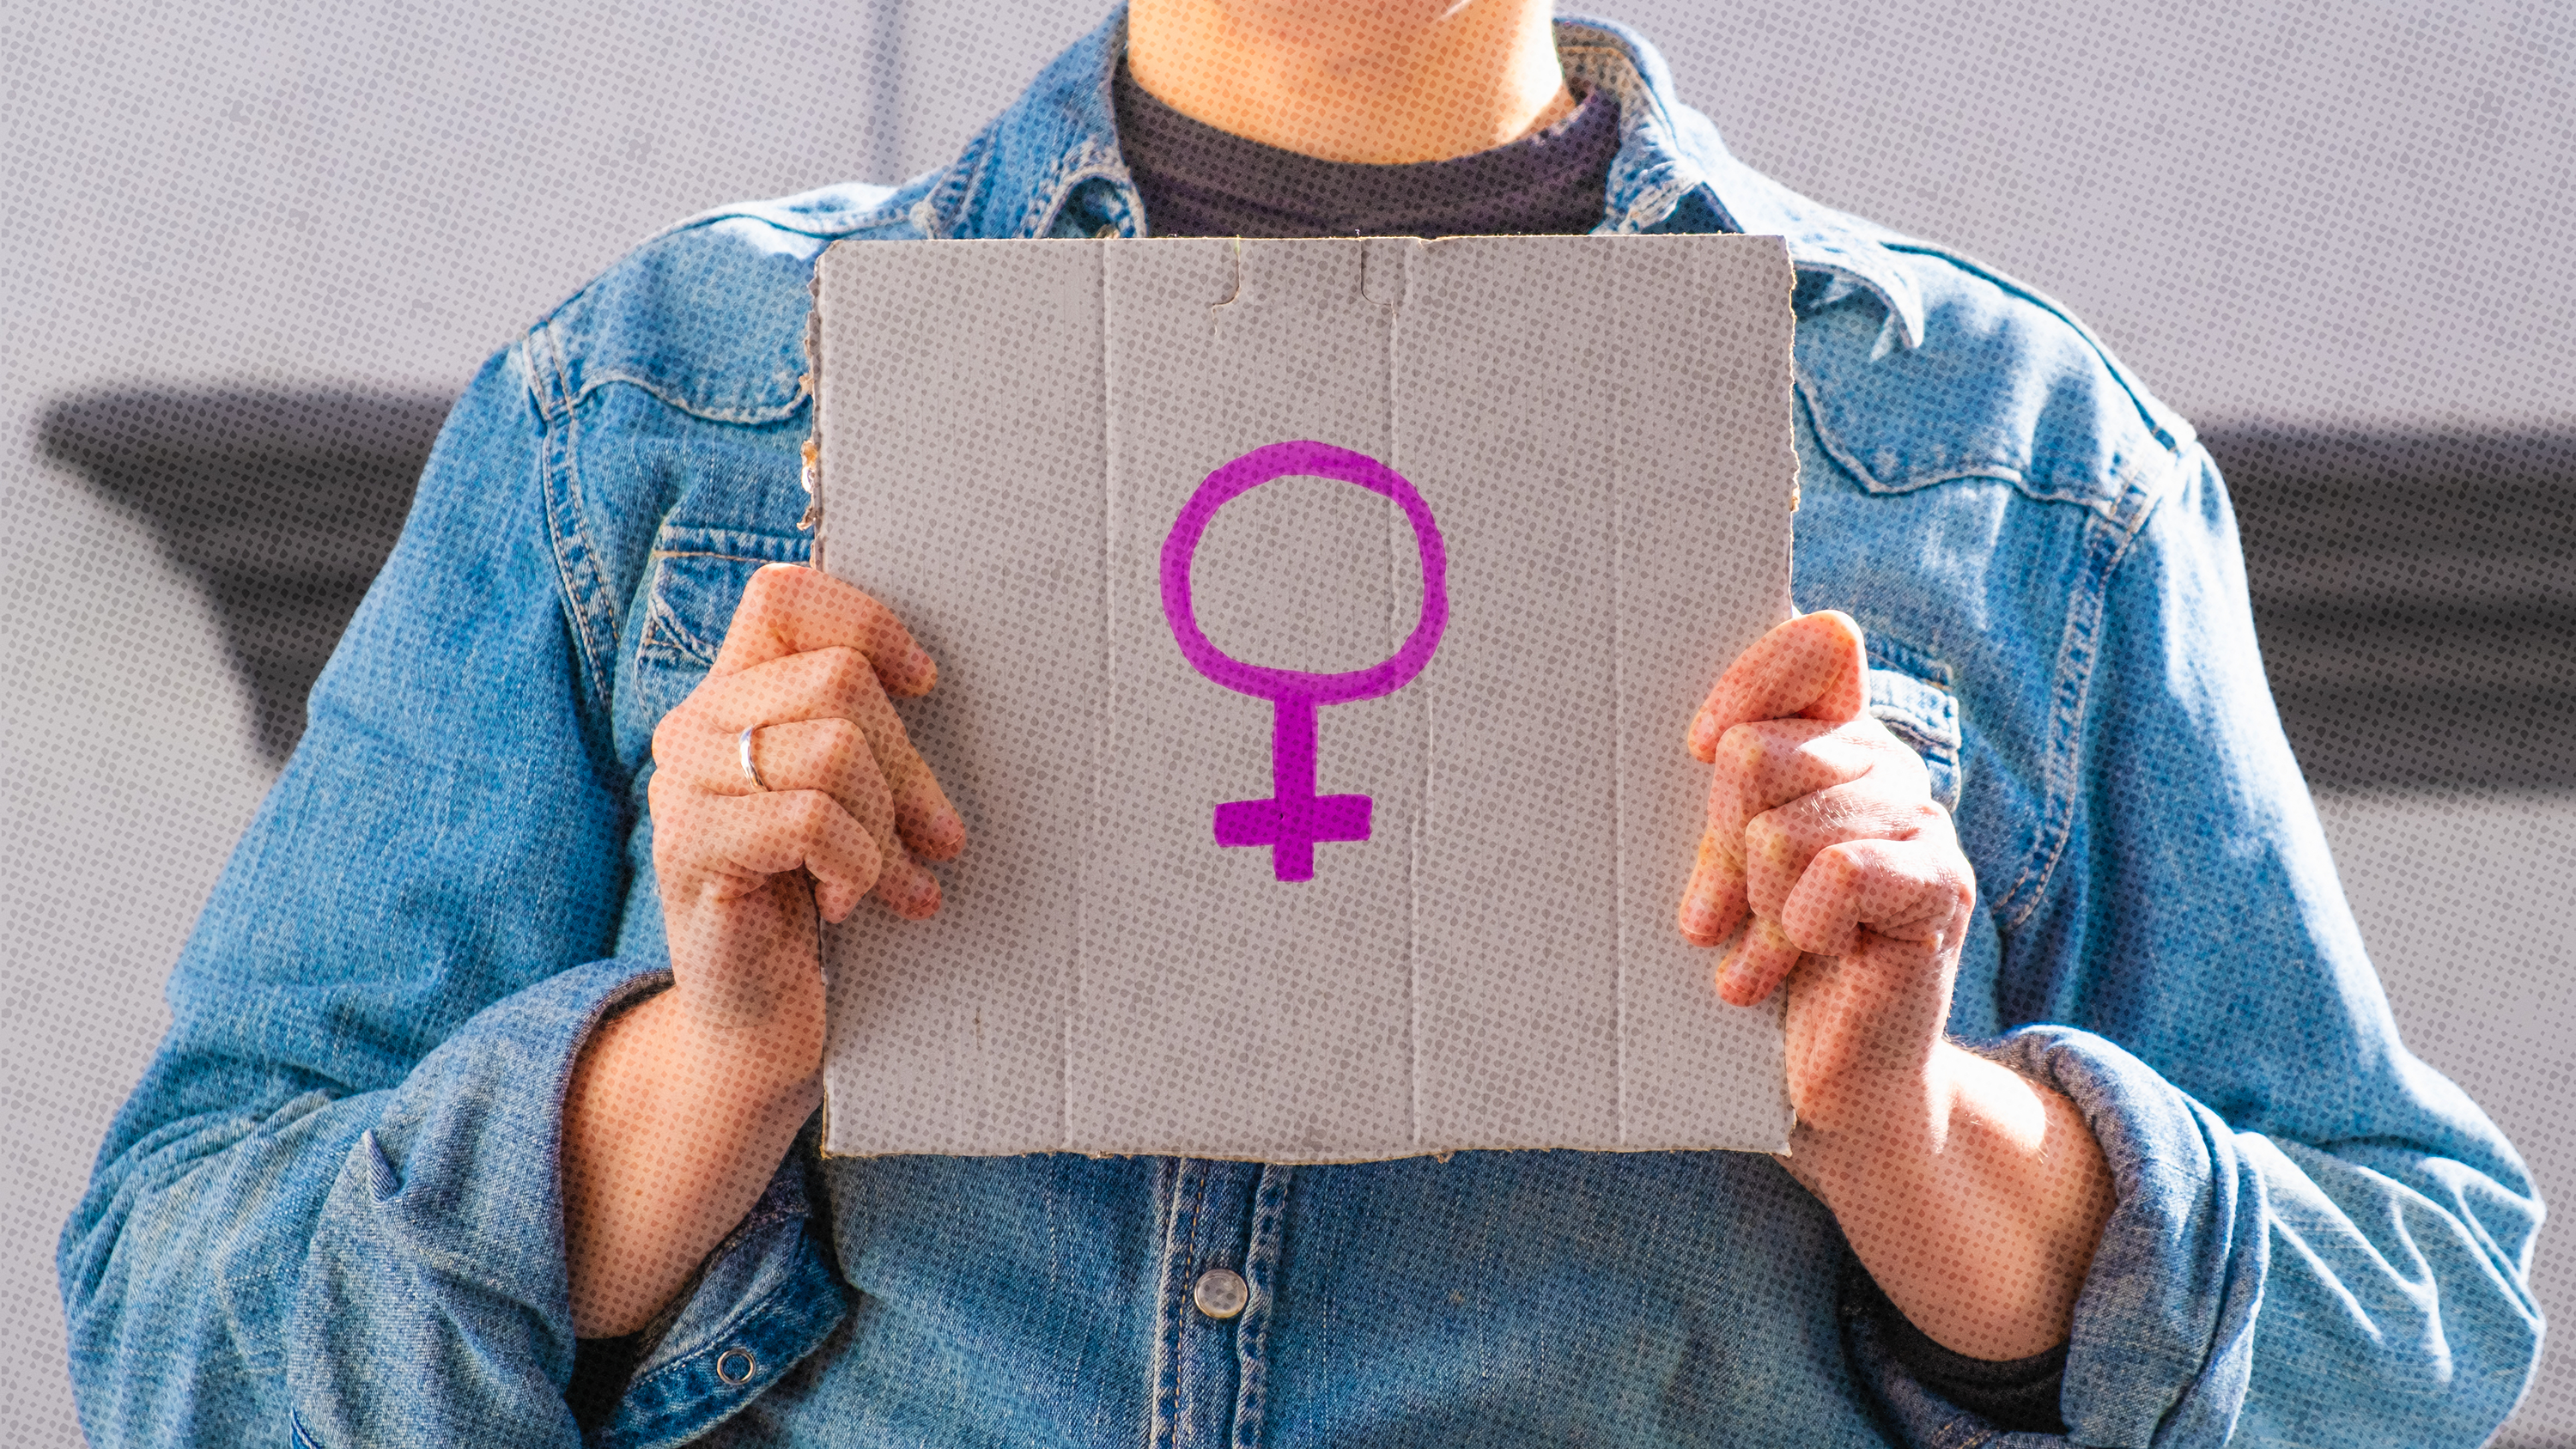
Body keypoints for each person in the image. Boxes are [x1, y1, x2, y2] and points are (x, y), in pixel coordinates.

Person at [59, 3, 2541, 1446]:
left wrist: (1921, 1139)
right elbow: (175, 1319)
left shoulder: (2017, 458)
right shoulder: (652, 409)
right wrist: (694, 1071)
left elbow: (2417, 1318)